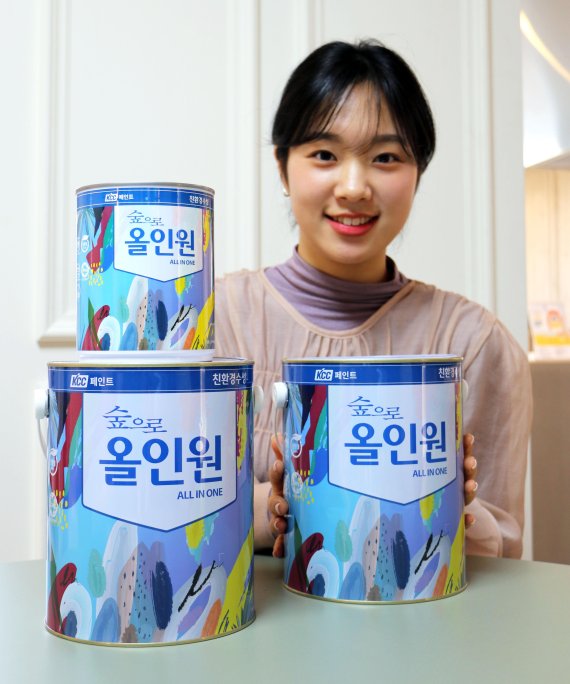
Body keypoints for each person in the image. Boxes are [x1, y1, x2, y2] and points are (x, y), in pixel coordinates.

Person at [215, 40, 532, 559]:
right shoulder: (213, 321)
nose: (354, 187)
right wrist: (272, 509)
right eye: (324, 155)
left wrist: (455, 511)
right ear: (282, 166)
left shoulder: (474, 343)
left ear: (418, 172)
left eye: (386, 157)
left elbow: (502, 558)